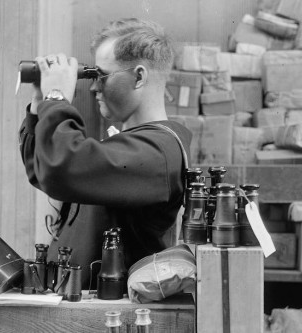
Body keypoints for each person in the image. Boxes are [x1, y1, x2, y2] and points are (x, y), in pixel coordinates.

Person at [19, 18, 192, 288]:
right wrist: (40, 104)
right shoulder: (132, 144)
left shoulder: (158, 153)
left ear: (139, 76)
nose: (93, 87)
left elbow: (61, 167)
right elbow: (43, 171)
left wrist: (57, 98)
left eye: (101, 76)